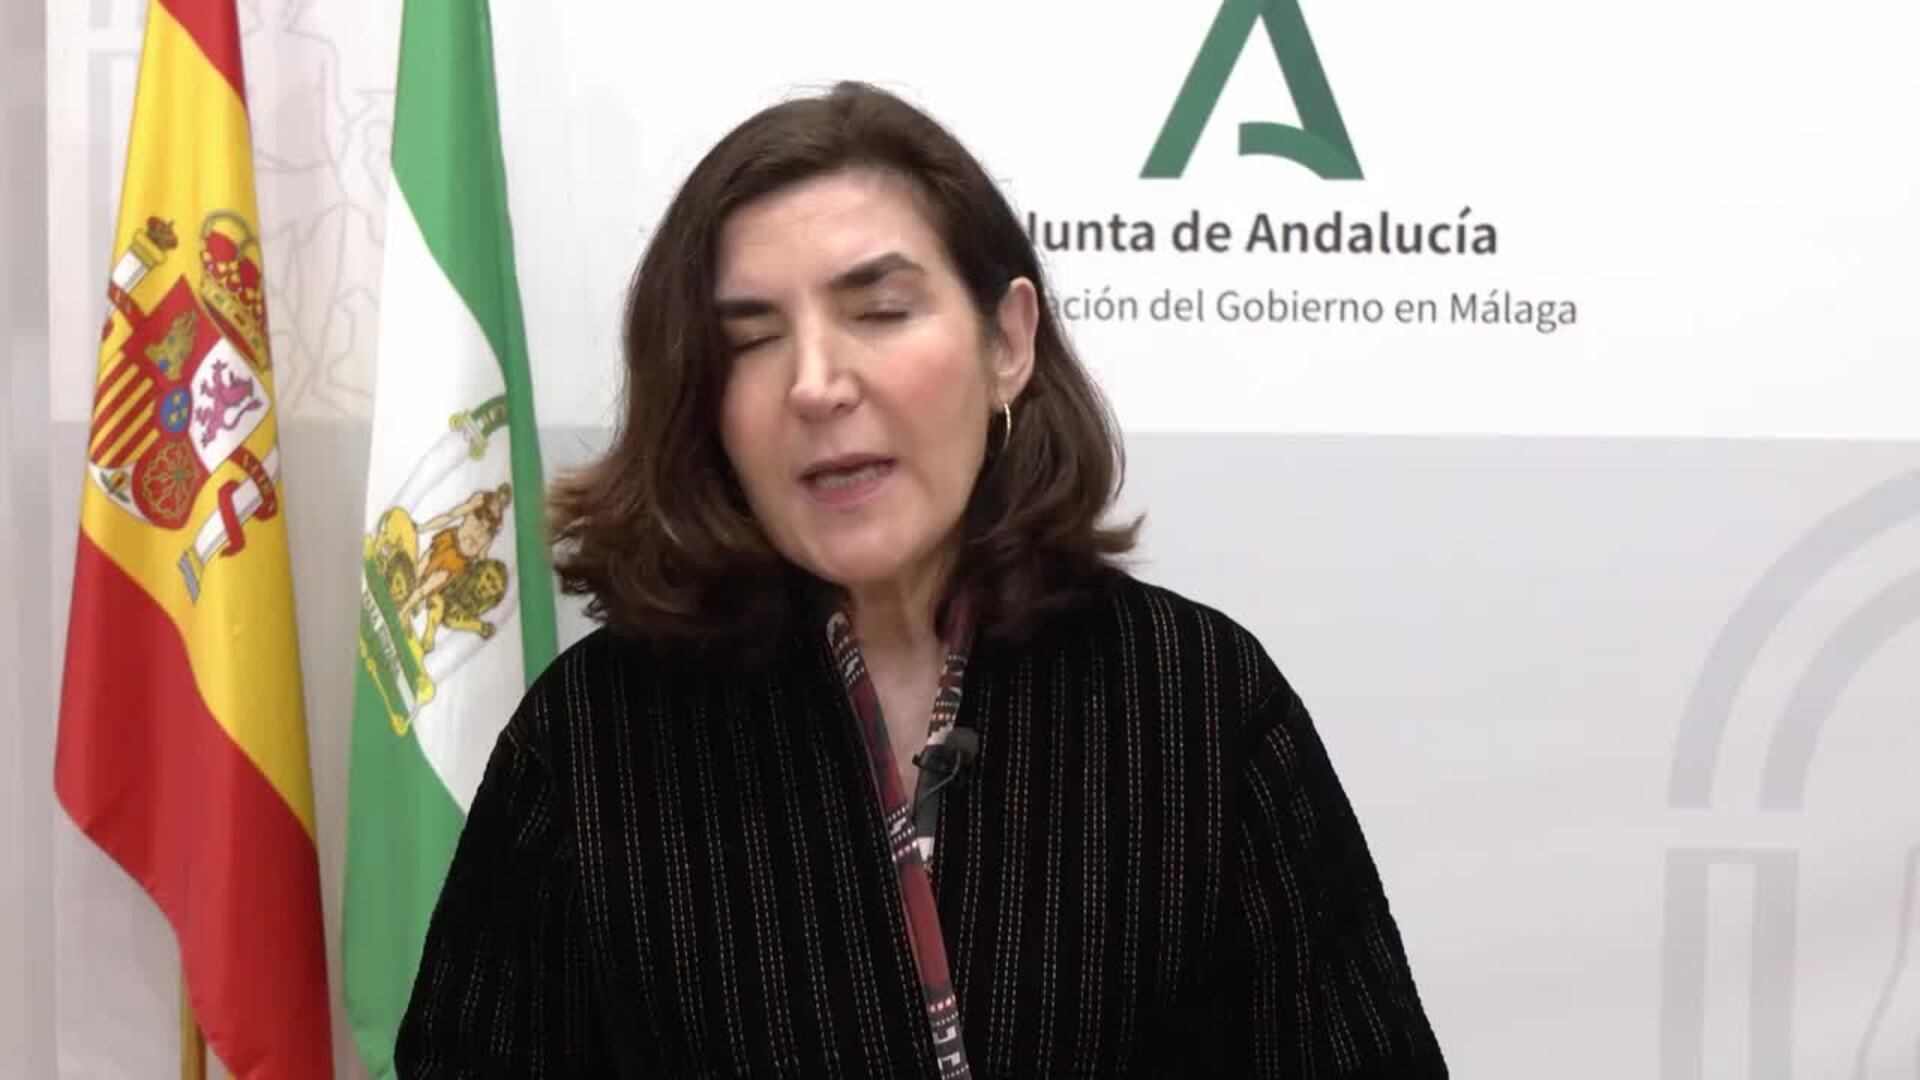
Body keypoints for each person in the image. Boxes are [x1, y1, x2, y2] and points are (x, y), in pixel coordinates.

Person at [396, 81, 1447, 1078]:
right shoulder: (591, 738)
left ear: (1008, 344)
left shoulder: (1196, 697)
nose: (816, 385)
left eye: (882, 311)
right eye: (751, 340)